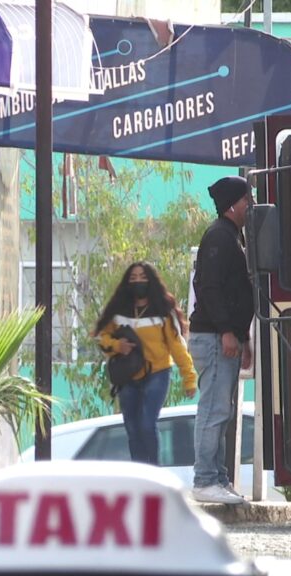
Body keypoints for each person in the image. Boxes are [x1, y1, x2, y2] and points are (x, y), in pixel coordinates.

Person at [188, 175, 255, 505]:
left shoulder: (233, 237)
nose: (250, 205)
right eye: (246, 199)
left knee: (223, 411)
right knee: (213, 410)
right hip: (213, 338)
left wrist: (243, 338)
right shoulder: (219, 237)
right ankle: (204, 480)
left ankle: (219, 478)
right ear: (232, 204)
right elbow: (210, 288)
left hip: (226, 338)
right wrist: (228, 330)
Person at [95, 262, 197, 465]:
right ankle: (139, 472)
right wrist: (117, 345)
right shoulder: (118, 310)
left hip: (157, 373)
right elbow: (101, 337)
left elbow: (177, 346)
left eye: (142, 277)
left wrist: (189, 378)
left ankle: (153, 471)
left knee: (147, 424)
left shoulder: (163, 311)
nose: (138, 281)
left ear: (151, 280)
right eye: (133, 278)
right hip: (127, 376)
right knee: (132, 427)